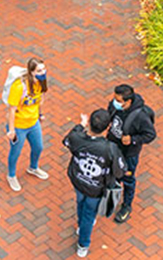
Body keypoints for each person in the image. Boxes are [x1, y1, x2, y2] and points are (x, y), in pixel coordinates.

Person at [63, 110, 127, 258]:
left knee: (80, 202)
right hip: (96, 190)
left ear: (90, 123)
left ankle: (80, 226)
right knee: (89, 215)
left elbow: (67, 140)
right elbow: (120, 171)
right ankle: (83, 244)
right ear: (108, 127)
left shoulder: (77, 138)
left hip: (78, 182)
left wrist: (80, 125)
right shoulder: (110, 148)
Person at [107, 84, 156, 224]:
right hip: (113, 148)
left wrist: (133, 140)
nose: (114, 102)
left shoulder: (140, 116)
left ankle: (126, 206)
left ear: (128, 101)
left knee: (128, 179)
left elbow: (150, 135)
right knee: (111, 173)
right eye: (114, 98)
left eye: (118, 100)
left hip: (129, 154)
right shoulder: (115, 105)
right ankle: (111, 196)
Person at [6, 58, 49, 192]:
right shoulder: (19, 87)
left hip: (33, 122)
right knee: (16, 152)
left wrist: (40, 114)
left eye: (43, 69)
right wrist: (11, 130)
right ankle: (11, 175)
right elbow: (11, 110)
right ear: (31, 72)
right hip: (19, 126)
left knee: (38, 147)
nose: (43, 72)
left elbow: (39, 101)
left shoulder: (41, 83)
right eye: (39, 70)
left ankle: (33, 168)